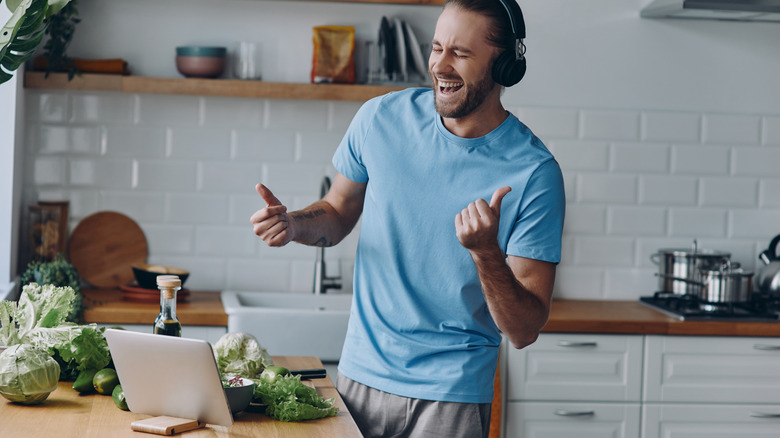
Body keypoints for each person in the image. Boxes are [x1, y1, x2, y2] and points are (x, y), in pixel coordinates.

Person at [250, 0, 565, 436]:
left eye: (461, 53)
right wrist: (295, 225)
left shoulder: (534, 173)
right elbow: (338, 210)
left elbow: (524, 329)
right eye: (437, 48)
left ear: (505, 65)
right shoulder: (380, 118)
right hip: (361, 378)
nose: (441, 65)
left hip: (451, 396)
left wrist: (487, 253)